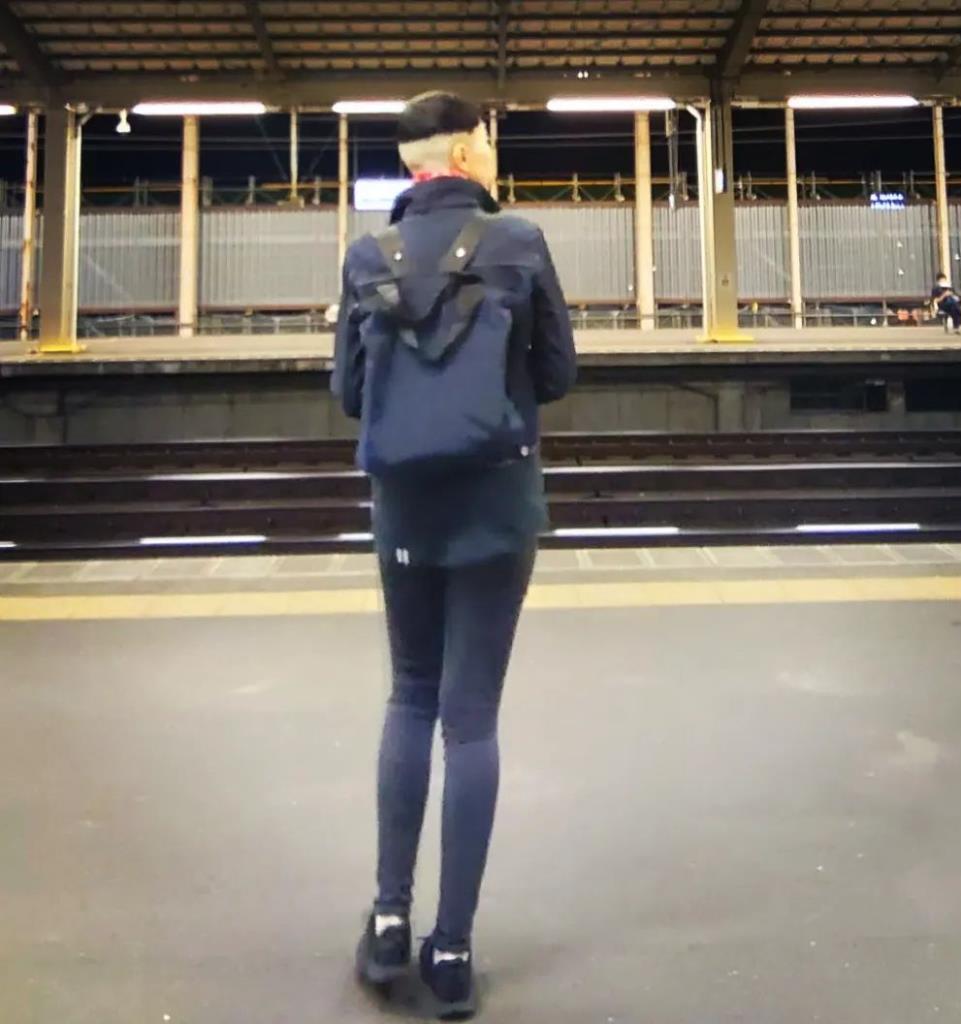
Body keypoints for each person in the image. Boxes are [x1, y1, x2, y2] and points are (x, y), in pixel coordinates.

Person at [331, 91, 576, 1019]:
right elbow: (557, 374)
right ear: (469, 150)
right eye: (490, 142)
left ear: (412, 164)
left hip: (405, 508)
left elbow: (350, 393)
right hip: (498, 505)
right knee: (470, 722)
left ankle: (390, 920)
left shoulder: (368, 256)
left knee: (410, 694)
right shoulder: (519, 242)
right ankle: (453, 951)